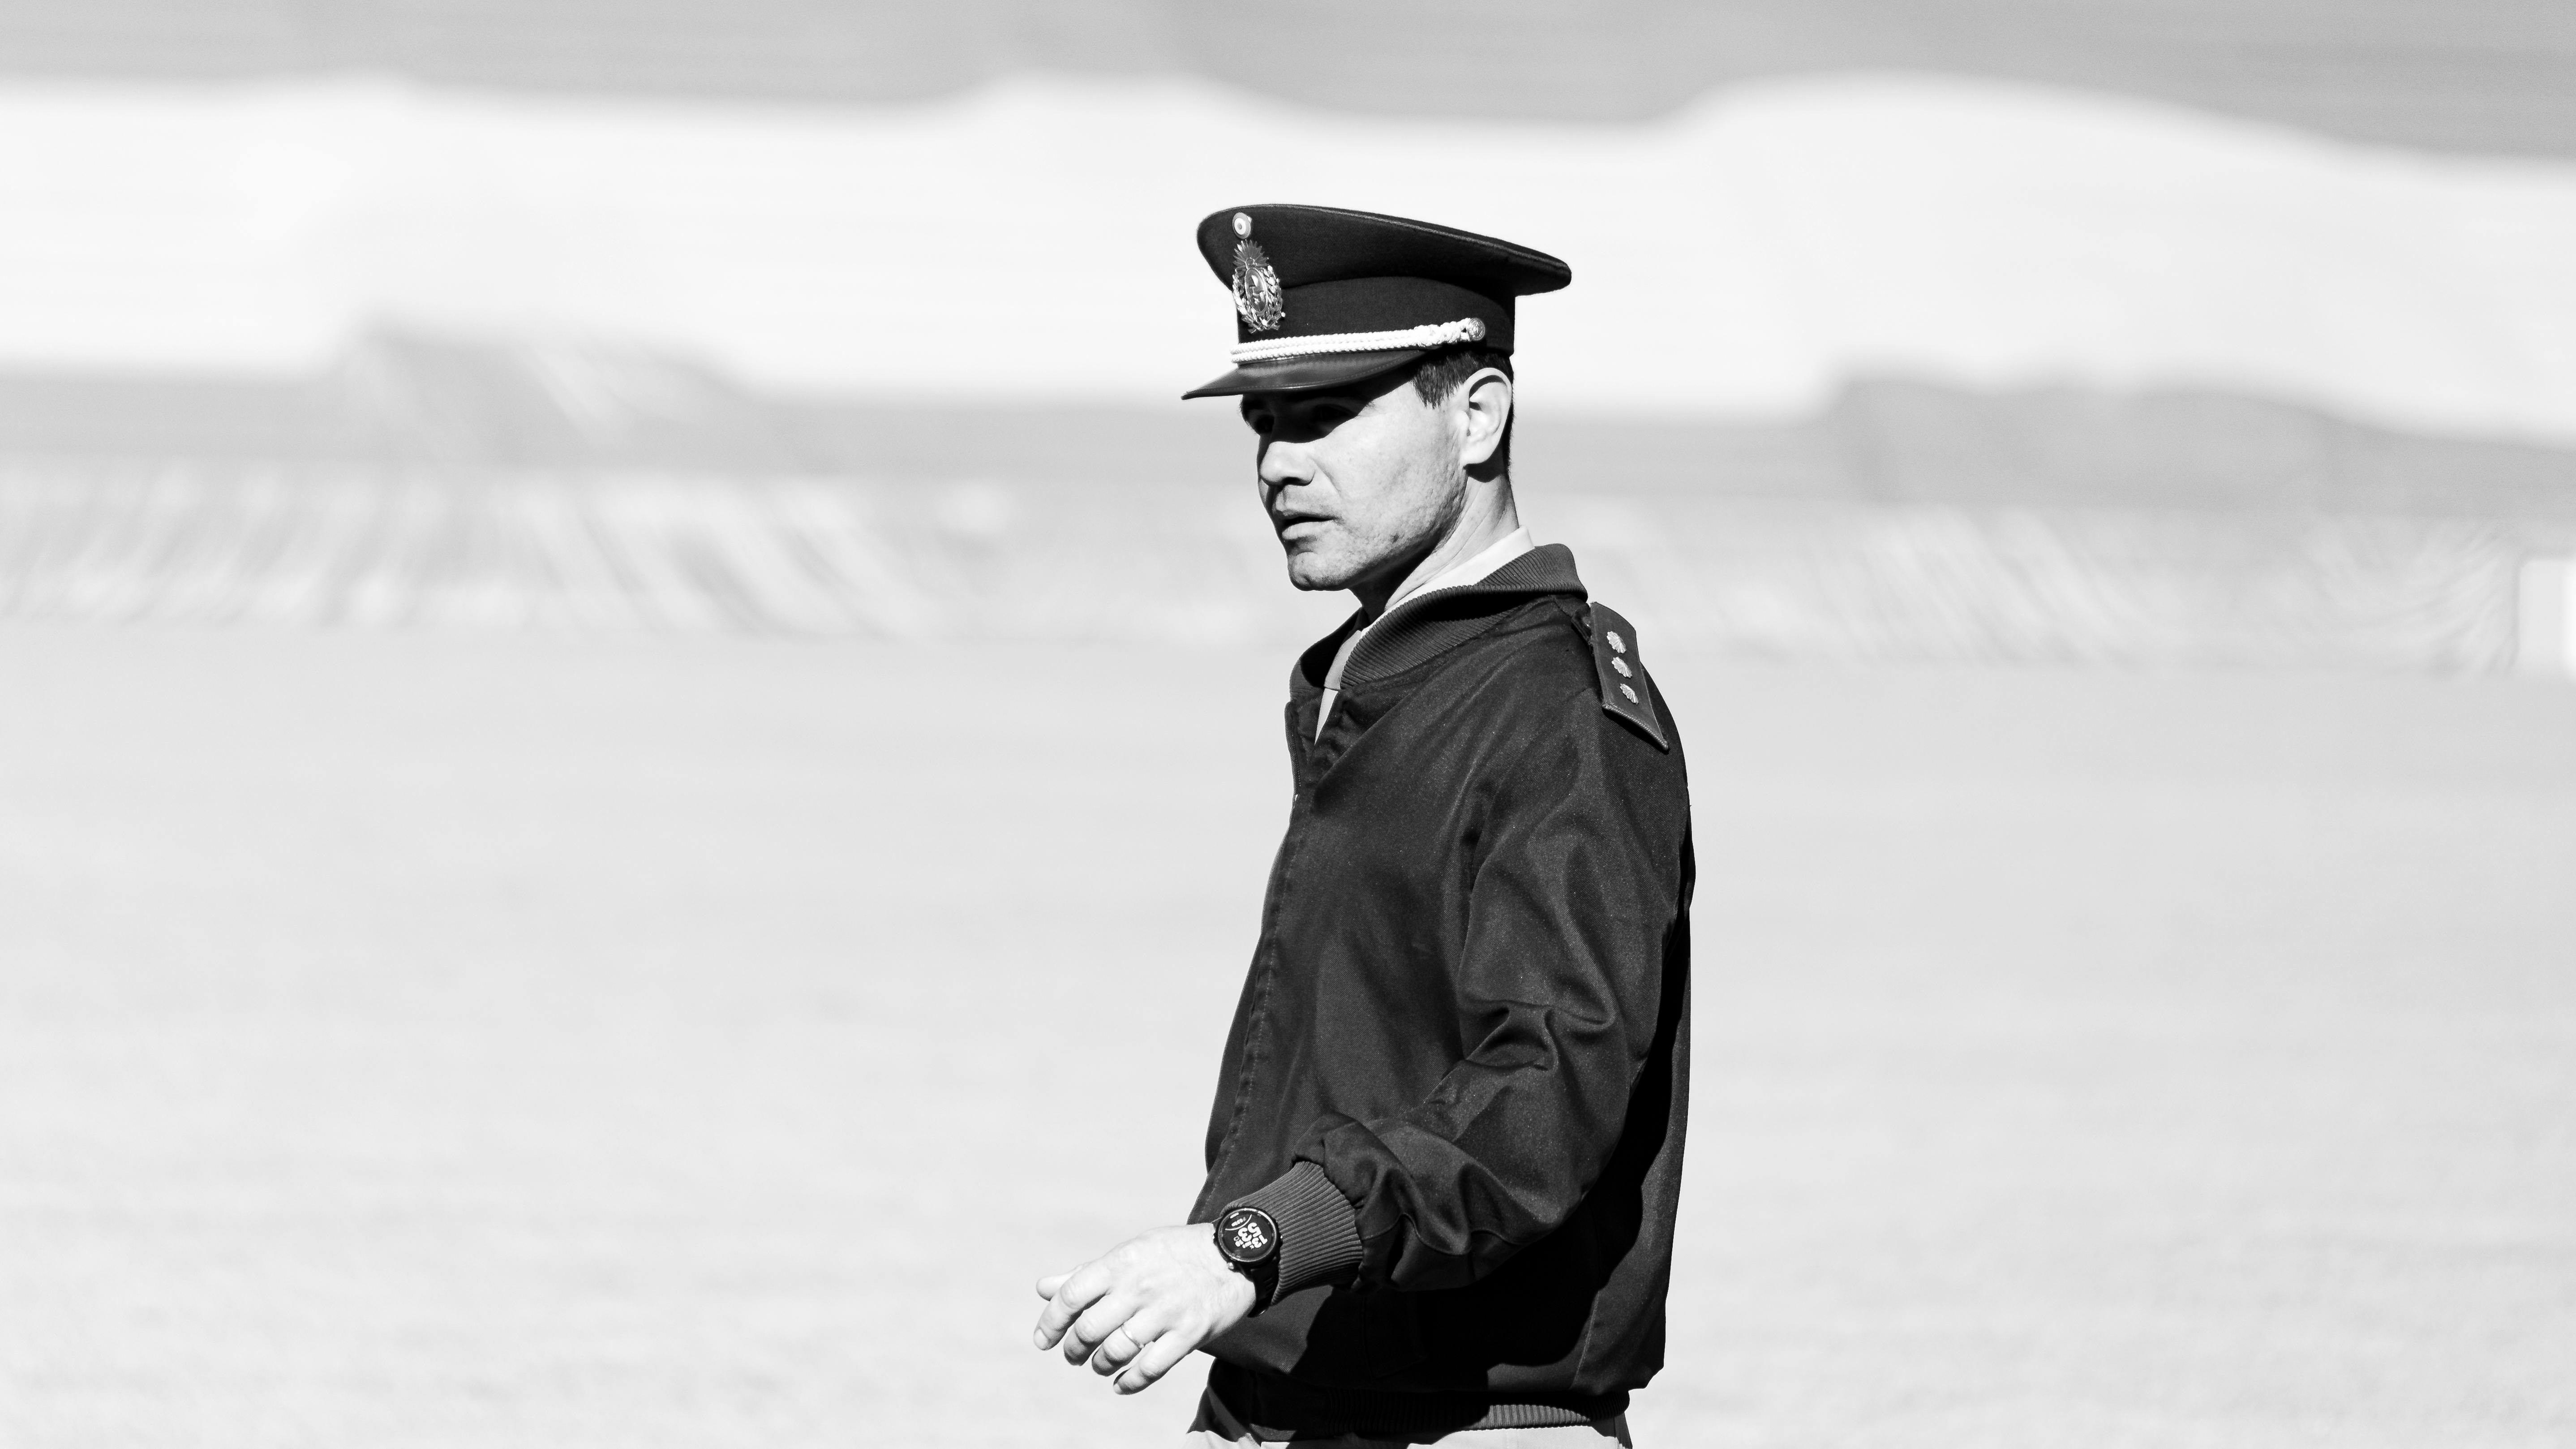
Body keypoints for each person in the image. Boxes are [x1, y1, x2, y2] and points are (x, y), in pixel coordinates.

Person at [1031, 204, 1696, 1446]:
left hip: (1465, 1421)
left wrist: (1258, 1241)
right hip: (1278, 1398)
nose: (1279, 464)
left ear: (1478, 415)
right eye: (1265, 422)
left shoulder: (1559, 713)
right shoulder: (1378, 680)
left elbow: (1547, 1093)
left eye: (1329, 413)